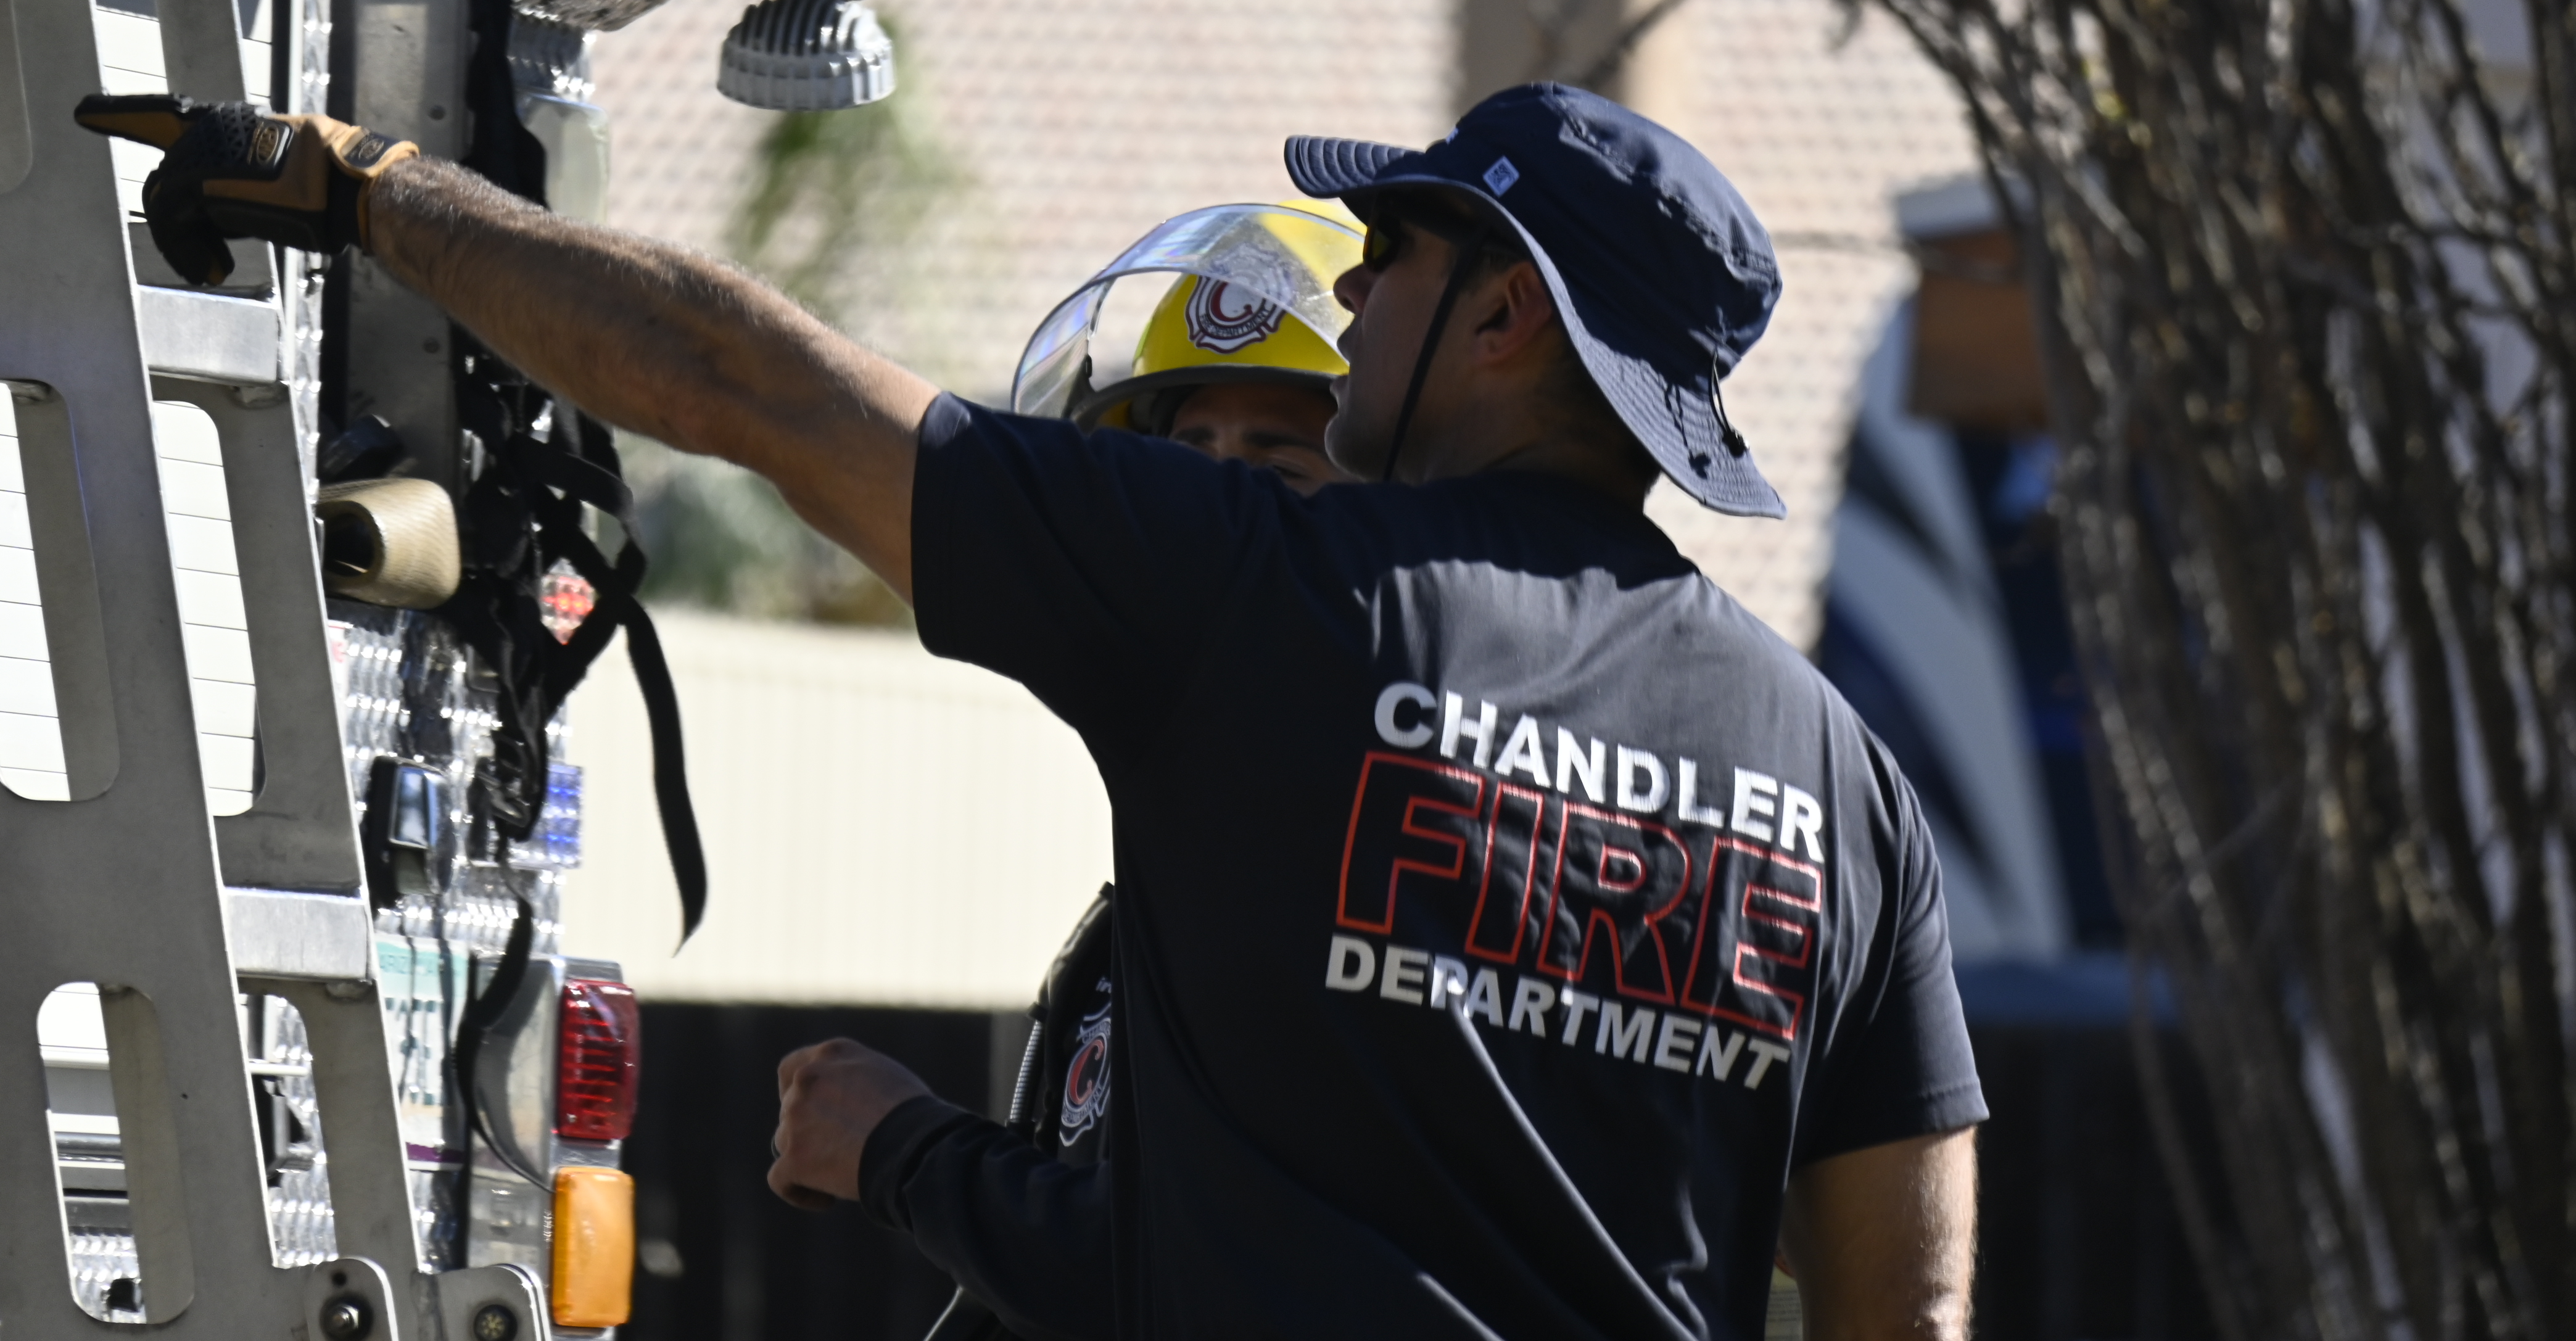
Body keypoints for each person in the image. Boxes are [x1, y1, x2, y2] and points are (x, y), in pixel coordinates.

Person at [80, 82, 1985, 1340]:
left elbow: (750, 382)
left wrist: (373, 192)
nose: (1352, 304)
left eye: (1395, 255)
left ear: (1508, 318)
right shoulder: (1846, 790)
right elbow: (1908, 1307)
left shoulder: (1263, 594)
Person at [857, 206, 1364, 1341]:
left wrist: (897, 1146)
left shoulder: (1366, 883)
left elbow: (1176, 1276)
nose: (1208, 508)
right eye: (1184, 460)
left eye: (1275, 467)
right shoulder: (1156, 898)